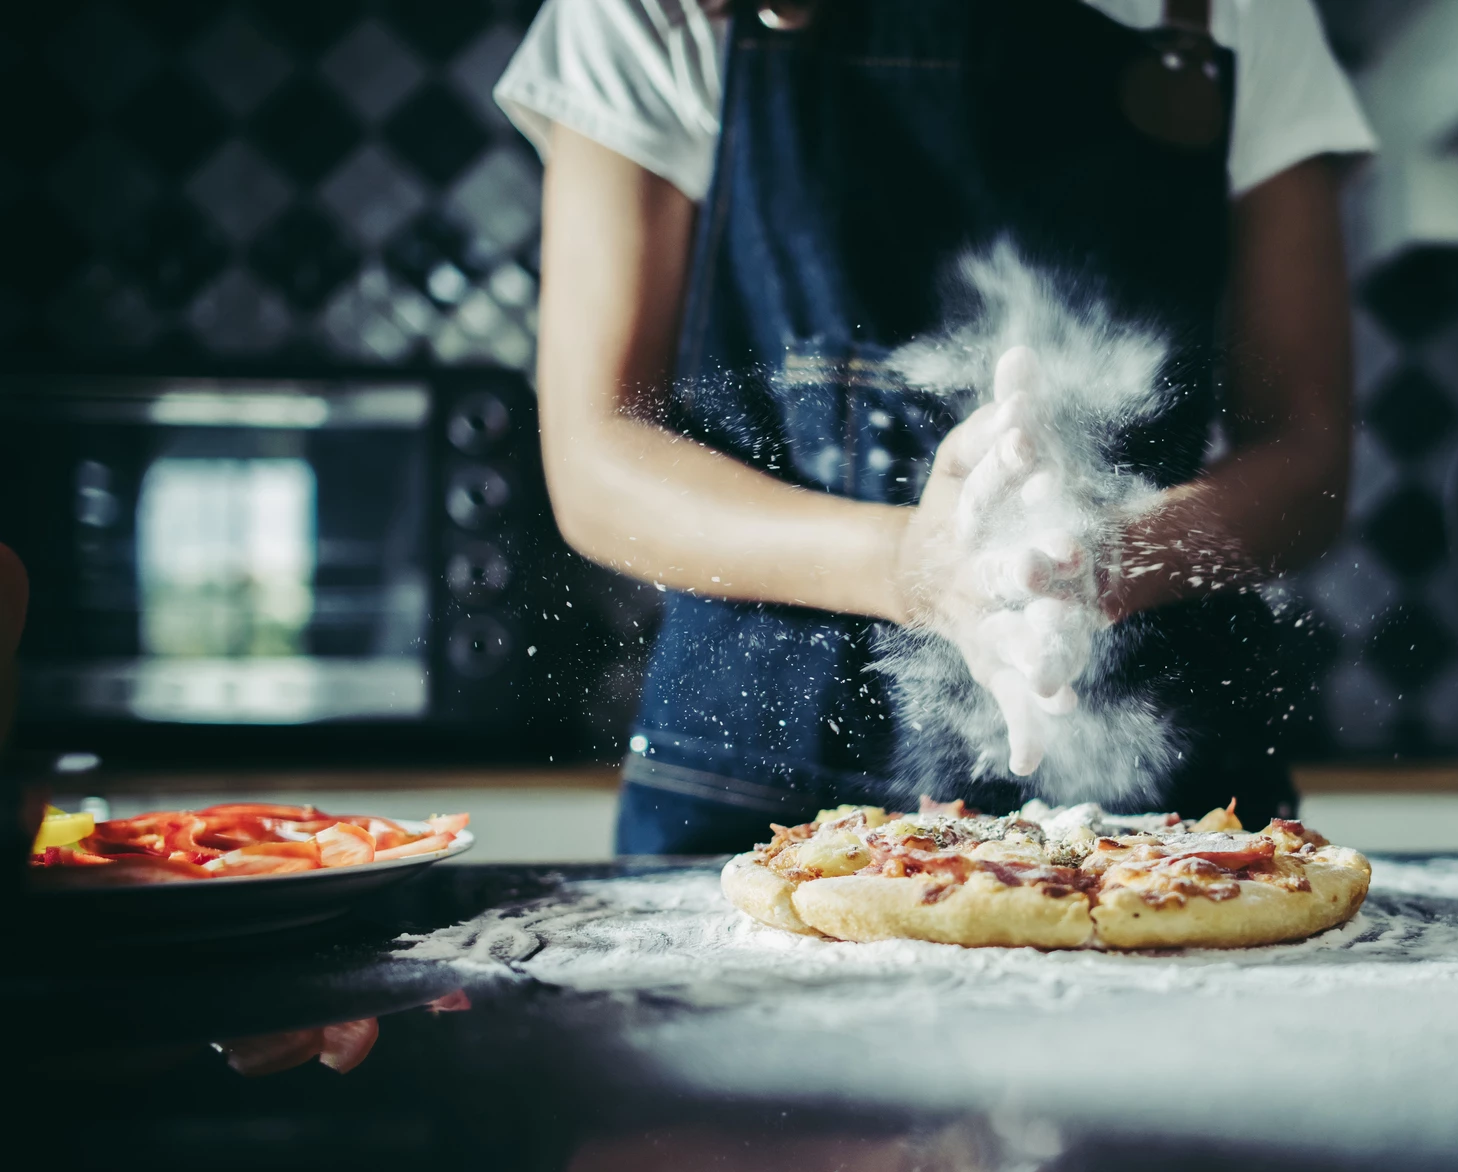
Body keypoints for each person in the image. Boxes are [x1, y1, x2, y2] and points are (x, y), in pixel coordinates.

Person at [497, 0, 1375, 854]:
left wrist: (1093, 564)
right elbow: (597, 458)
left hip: (1161, 817)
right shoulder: (648, 11)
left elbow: (1304, 459)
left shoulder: (1239, 11)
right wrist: (914, 569)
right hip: (754, 789)